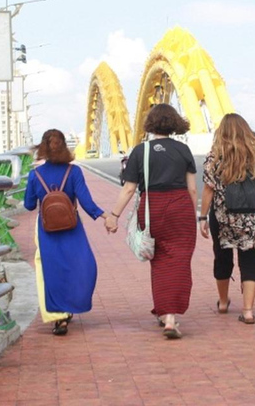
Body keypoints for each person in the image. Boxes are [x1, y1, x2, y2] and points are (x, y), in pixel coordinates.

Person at [106, 104, 198, 339]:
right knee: (178, 260)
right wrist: (197, 215)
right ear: (175, 123)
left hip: (152, 208)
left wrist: (114, 216)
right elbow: (192, 189)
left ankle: (164, 312)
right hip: (180, 207)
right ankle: (170, 317)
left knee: (157, 260)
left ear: (151, 124)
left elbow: (129, 189)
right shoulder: (183, 150)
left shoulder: (140, 151)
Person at [24, 129, 110, 336]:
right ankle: (72, 305)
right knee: (81, 266)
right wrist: (106, 216)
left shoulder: (35, 175)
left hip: (46, 229)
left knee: (52, 270)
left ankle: (59, 318)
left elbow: (28, 205)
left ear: (42, 147)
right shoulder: (74, 172)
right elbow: (87, 203)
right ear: (64, 147)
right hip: (72, 227)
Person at [199, 114, 255, 325]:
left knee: (222, 256)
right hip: (252, 217)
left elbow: (209, 190)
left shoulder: (215, 158)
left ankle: (224, 302)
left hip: (223, 216)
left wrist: (202, 217)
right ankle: (248, 311)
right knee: (250, 257)